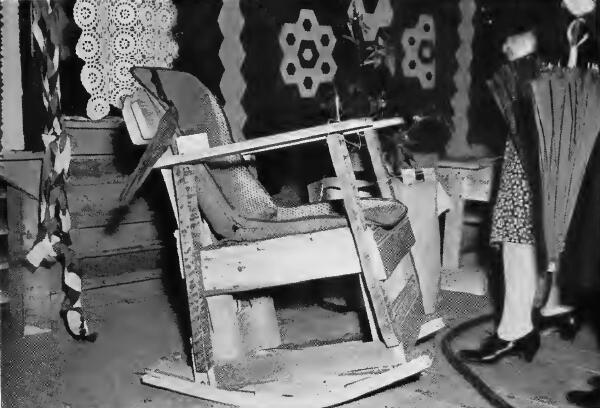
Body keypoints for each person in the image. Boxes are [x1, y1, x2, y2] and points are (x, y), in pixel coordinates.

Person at [458, 1, 590, 365]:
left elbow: (582, 12)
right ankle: (539, 315)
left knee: (550, 217)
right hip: (548, 102)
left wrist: (539, 36)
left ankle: (537, 317)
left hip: (571, 109)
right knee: (537, 212)